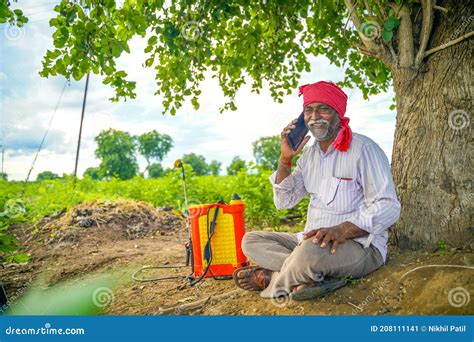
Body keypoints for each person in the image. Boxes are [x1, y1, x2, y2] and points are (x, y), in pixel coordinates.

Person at [233, 81, 401, 300]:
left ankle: (276, 280)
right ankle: (309, 277)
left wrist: (342, 230)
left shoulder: (364, 149)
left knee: (309, 252)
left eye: (323, 109)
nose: (314, 117)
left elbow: (388, 206)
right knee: (251, 240)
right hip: (310, 241)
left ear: (338, 114)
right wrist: (285, 159)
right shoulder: (309, 157)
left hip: (359, 246)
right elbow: (284, 201)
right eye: (308, 110)